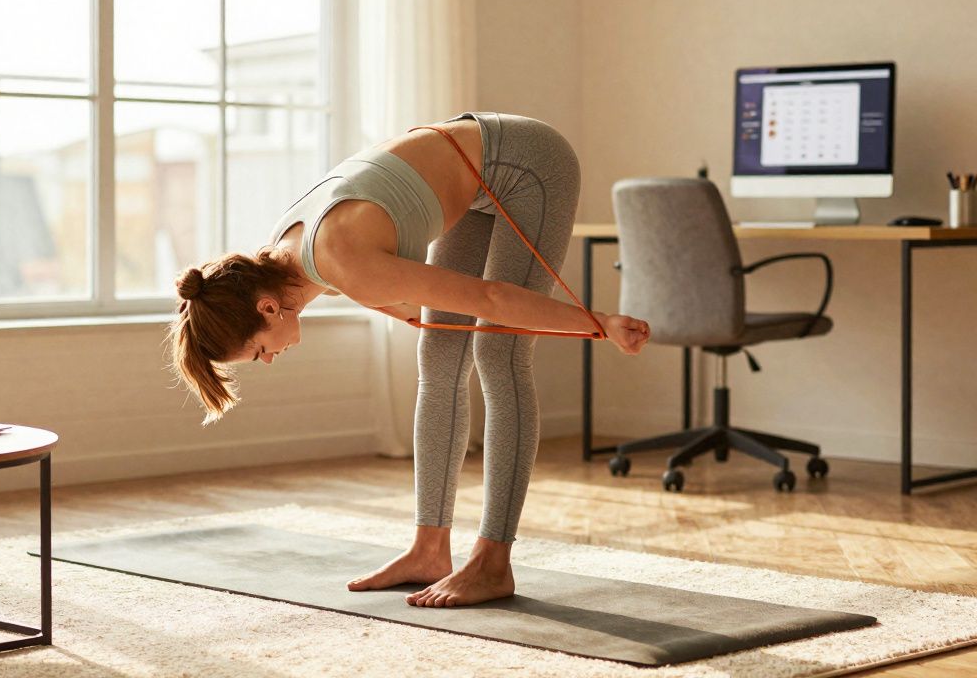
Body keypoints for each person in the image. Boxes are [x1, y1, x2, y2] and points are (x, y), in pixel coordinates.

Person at [169, 112, 650, 608]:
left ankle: (493, 563)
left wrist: (599, 323)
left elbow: (491, 300)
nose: (269, 360)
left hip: (529, 162)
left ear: (266, 308)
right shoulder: (283, 252)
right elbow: (391, 291)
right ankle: (428, 549)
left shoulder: (338, 258)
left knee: (498, 346)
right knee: (441, 353)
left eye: (259, 350)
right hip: (480, 174)